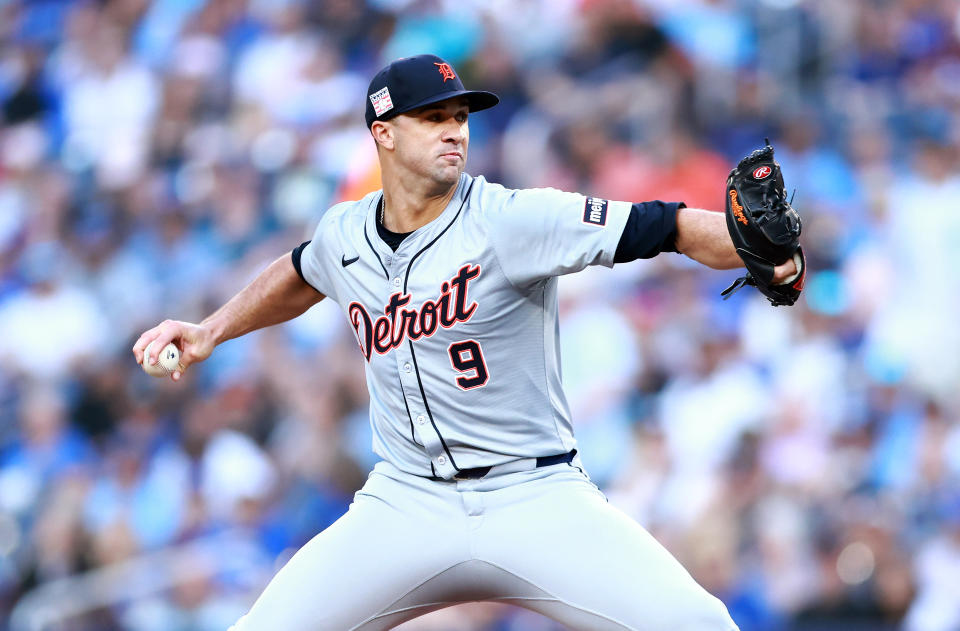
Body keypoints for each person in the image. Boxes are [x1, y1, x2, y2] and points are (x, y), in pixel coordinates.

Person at [134, 54, 799, 631]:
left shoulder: (510, 219)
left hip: (532, 495)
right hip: (404, 500)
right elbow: (301, 272)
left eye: (461, 116)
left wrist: (754, 250)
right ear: (384, 134)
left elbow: (668, 226)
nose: (455, 130)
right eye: (434, 118)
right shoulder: (345, 232)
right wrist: (209, 329)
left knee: (696, 622)